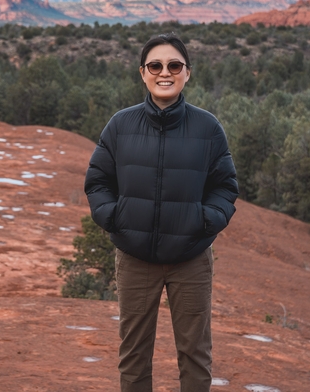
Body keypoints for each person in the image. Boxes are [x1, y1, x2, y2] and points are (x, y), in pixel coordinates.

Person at [84, 33, 238, 392]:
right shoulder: (121, 125)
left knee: (196, 354)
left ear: (187, 73)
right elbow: (98, 181)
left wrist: (203, 222)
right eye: (155, 65)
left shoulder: (207, 128)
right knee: (134, 355)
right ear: (143, 73)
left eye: (174, 65)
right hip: (135, 257)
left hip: (191, 258)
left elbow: (225, 187)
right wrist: (116, 217)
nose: (164, 72)